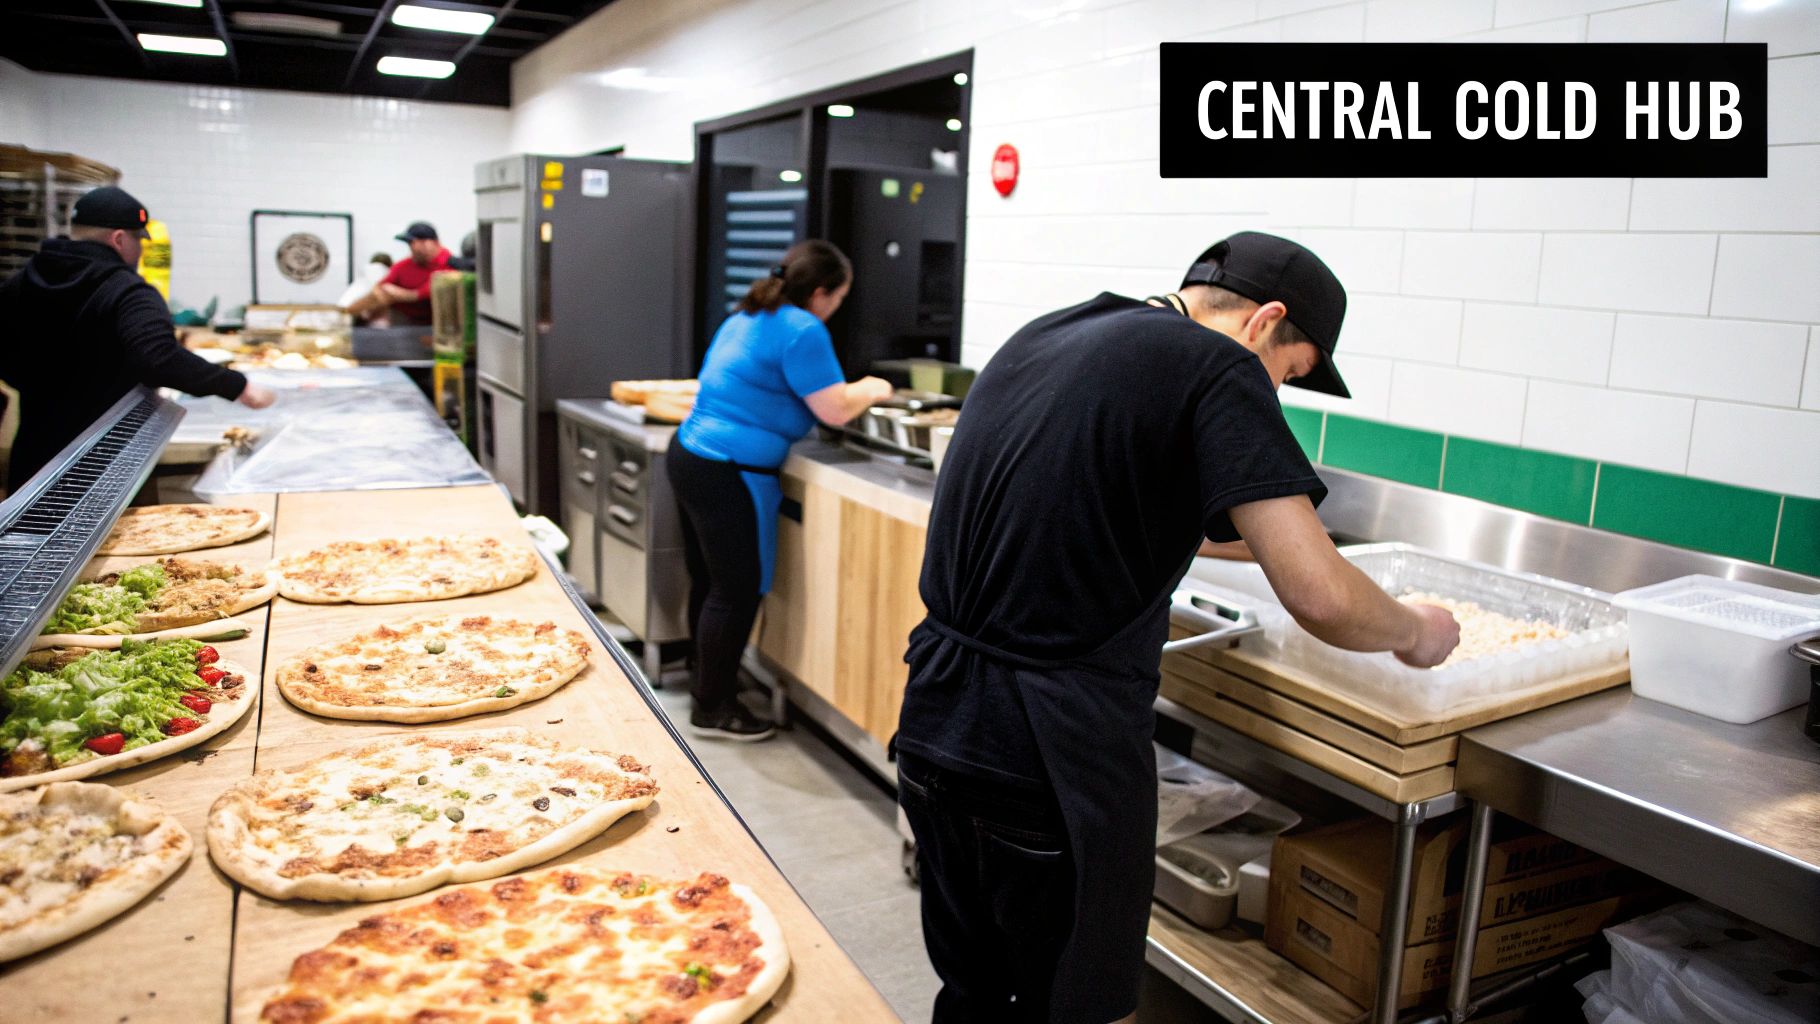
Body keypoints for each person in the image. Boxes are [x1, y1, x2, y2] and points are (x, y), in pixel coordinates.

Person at [895, 231, 1462, 1023]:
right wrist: (1411, 628)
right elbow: (1321, 598)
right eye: (1289, 376)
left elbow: (1120, 503)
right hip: (1048, 757)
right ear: (1266, 322)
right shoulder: (1219, 364)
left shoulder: (1058, 331)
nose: (1277, 393)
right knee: (1073, 1010)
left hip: (935, 725)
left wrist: (1280, 545)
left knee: (977, 992)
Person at [668, 240, 893, 741]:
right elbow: (835, 407)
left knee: (709, 581)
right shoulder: (802, 327)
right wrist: (875, 387)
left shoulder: (750, 314)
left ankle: (705, 678)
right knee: (737, 589)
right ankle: (713, 708)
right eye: (838, 299)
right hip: (729, 468)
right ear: (820, 293)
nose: (836, 309)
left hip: (691, 452)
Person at [0, 186, 275, 491]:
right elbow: (159, 357)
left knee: (32, 535)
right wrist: (240, 387)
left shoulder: (21, 282)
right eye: (139, 240)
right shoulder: (128, 291)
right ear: (119, 239)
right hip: (106, 459)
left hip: (34, 456)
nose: (141, 251)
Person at [346, 222, 449, 325]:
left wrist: (404, 295)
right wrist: (381, 293)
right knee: (378, 295)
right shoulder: (404, 265)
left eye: (412, 243)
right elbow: (381, 287)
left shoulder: (449, 263)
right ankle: (345, 316)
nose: (411, 248)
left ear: (428, 243)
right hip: (404, 323)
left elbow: (434, 290)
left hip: (435, 324)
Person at [335, 251, 394, 319]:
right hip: (354, 314)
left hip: (341, 309)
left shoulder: (364, 275)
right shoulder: (385, 273)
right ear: (390, 264)